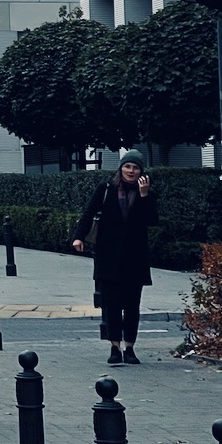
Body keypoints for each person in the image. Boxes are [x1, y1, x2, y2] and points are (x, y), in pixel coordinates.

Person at [71, 149, 158, 366]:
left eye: (135, 167)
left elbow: (152, 220)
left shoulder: (145, 192)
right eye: (128, 166)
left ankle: (129, 347)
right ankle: (114, 347)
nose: (131, 171)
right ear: (121, 168)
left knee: (131, 305)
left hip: (134, 257)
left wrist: (145, 195)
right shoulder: (106, 189)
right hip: (108, 255)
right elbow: (88, 212)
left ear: (141, 171)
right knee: (111, 304)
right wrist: (78, 237)